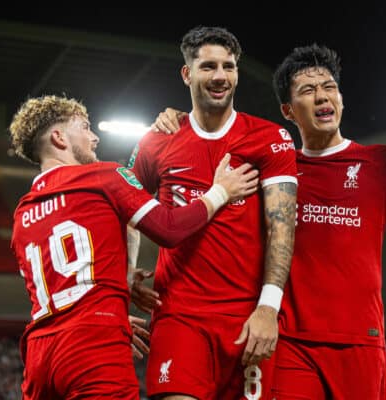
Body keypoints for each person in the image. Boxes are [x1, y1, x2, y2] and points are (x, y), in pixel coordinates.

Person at [153, 44, 386, 399]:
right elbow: (210, 141)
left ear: (341, 99)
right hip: (290, 341)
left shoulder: (379, 162)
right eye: (308, 90)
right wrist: (182, 120)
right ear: (288, 110)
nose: (322, 97)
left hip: (360, 342)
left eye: (329, 88)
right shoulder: (274, 166)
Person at [9, 94, 259, 399]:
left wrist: (118, 295)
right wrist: (220, 192)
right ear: (59, 137)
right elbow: (168, 228)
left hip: (38, 355)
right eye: (85, 127)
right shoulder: (102, 176)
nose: (94, 136)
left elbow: (59, 285)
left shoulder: (23, 211)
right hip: (92, 346)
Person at [128, 26, 298, 399]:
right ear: (187, 74)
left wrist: (269, 309)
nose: (220, 76)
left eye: (229, 66)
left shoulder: (269, 138)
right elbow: (124, 212)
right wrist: (125, 275)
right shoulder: (157, 140)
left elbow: (282, 228)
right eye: (208, 67)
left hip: (248, 318)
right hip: (178, 315)